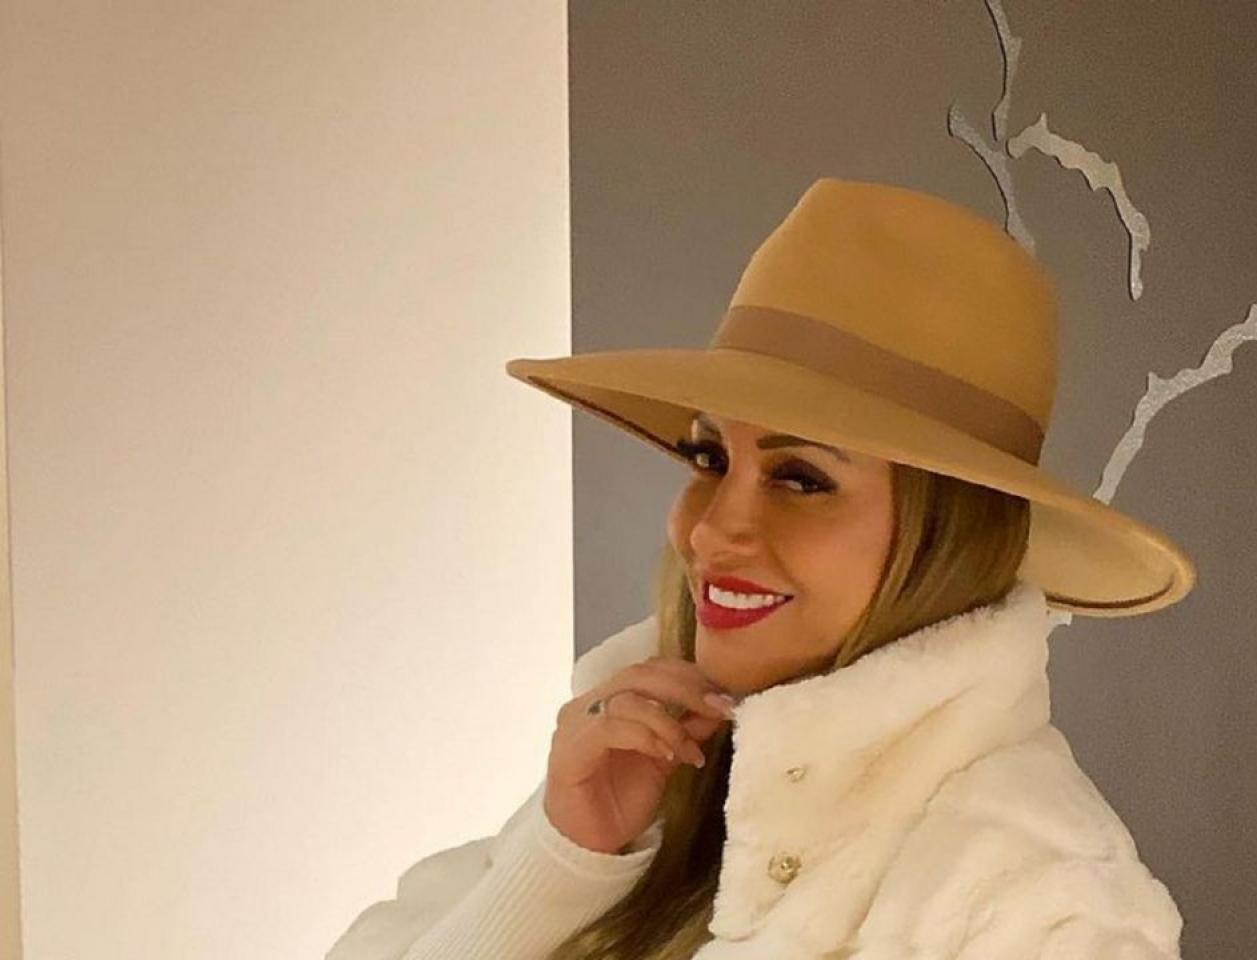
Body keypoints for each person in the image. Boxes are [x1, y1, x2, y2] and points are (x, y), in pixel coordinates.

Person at [326, 177, 1197, 959]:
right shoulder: (655, 782)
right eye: (709, 459)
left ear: (948, 534)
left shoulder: (1039, 906)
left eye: (801, 478)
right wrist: (562, 861)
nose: (710, 531)